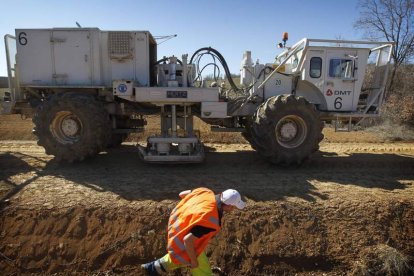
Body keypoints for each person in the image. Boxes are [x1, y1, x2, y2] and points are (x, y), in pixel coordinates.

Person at [141, 187, 246, 276]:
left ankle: (151, 268)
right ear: (228, 206)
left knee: (183, 257)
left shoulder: (205, 192)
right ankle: (152, 268)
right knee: (196, 263)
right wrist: (193, 261)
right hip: (183, 239)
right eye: (233, 207)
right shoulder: (211, 220)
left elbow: (182, 194)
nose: (233, 210)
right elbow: (188, 240)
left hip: (176, 223)